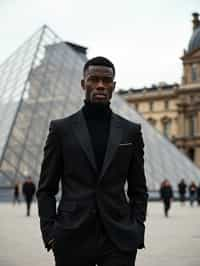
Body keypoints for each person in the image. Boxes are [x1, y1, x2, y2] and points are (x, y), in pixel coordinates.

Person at [37, 56, 148, 266]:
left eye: (106, 81)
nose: (100, 85)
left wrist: (137, 229)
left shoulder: (131, 131)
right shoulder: (61, 129)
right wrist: (50, 233)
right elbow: (46, 189)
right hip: (70, 237)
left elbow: (138, 188)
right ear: (82, 83)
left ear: (113, 86)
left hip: (119, 239)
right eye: (93, 79)